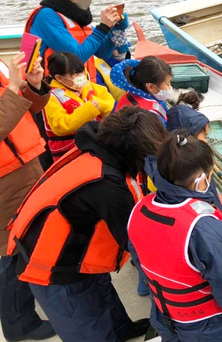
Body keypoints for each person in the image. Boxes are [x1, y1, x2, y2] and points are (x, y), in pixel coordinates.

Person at [7, 107, 167, 342]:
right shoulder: (109, 186)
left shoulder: (98, 149)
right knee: (86, 327)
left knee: (102, 294)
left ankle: (120, 329)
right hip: (56, 267)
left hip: (81, 248)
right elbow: (135, 241)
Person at [128, 130, 222, 341]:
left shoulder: (139, 210)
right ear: (200, 181)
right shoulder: (205, 229)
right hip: (208, 327)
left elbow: (141, 262)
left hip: (165, 316)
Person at [0, 54, 56, 342]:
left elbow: (26, 108)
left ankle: (31, 310)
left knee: (32, 240)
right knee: (9, 253)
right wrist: (12, 89)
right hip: (5, 181)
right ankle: (19, 324)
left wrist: (33, 87)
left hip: (27, 165)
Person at [24, 0, 122, 81]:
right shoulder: (46, 16)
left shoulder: (78, 15)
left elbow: (103, 53)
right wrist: (103, 27)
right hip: (52, 88)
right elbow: (76, 57)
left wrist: (115, 29)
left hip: (79, 86)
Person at [43, 52, 115, 161]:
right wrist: (89, 109)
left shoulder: (88, 85)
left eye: (81, 72)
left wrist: (98, 105)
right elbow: (60, 126)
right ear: (59, 78)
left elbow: (109, 102)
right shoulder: (51, 97)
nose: (81, 77)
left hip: (95, 143)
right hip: (69, 151)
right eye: (75, 75)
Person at [111, 56, 173, 125]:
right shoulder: (149, 115)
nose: (170, 87)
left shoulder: (129, 95)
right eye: (167, 84)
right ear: (151, 87)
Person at [95, 14, 132, 101]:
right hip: (119, 110)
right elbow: (104, 100)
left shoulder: (132, 60)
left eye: (123, 46)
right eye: (116, 47)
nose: (120, 50)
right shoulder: (97, 70)